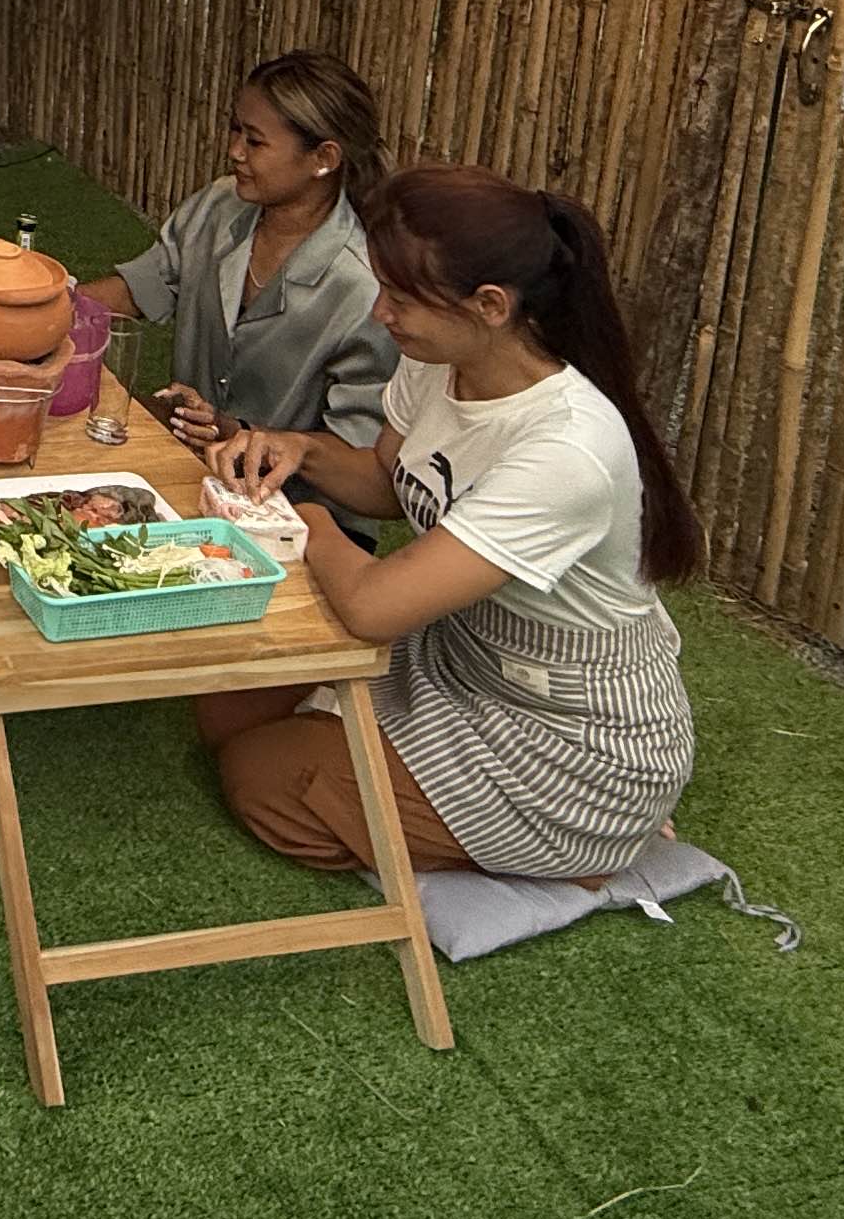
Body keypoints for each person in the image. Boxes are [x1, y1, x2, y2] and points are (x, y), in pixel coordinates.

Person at [194, 163, 697, 884]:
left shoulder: (567, 449)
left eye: (399, 298)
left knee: (262, 780)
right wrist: (297, 447)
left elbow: (372, 607)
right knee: (224, 709)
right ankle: (418, 784)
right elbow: (387, 485)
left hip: (567, 740)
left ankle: (588, 846)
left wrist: (302, 517)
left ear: (490, 304)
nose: (379, 314)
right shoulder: (438, 360)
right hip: (460, 660)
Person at [79, 50, 396, 461]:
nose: (235, 151)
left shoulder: (361, 290)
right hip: (187, 464)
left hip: (292, 509)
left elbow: (358, 452)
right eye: (235, 130)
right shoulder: (219, 205)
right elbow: (142, 287)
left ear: (324, 159)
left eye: (255, 140)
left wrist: (238, 434)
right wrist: (46, 303)